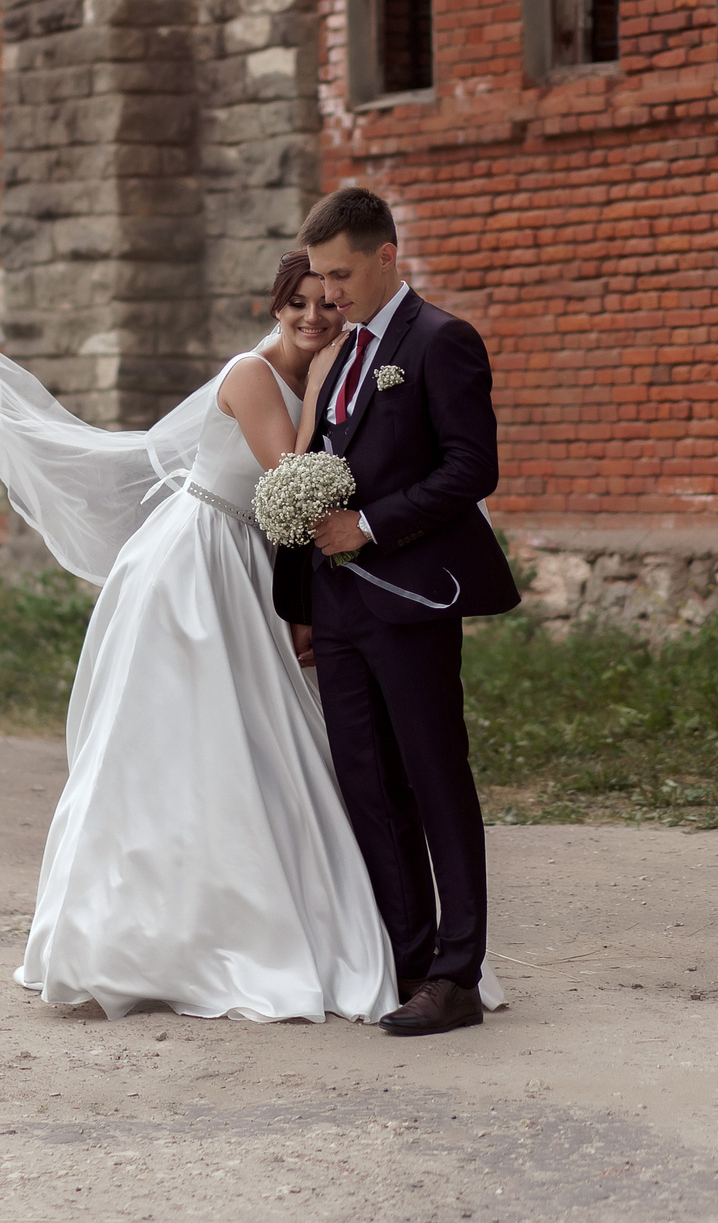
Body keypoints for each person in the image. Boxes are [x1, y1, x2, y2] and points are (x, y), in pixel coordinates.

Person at [0, 254, 504, 1023]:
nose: (313, 317)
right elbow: (299, 477)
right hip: (200, 562)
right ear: (275, 308)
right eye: (296, 304)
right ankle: (145, 932)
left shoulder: (341, 373)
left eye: (326, 304)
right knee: (184, 741)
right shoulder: (252, 375)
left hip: (261, 564)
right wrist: (323, 387)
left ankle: (365, 932)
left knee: (271, 745)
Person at [274, 187, 522, 1037]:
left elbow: (472, 467)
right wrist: (305, 593)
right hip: (338, 604)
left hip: (414, 599)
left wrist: (371, 525)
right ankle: (409, 960)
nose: (329, 292)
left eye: (342, 275)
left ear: (387, 256)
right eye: (320, 277)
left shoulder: (441, 339)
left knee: (434, 776)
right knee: (367, 783)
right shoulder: (339, 351)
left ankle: (458, 973)